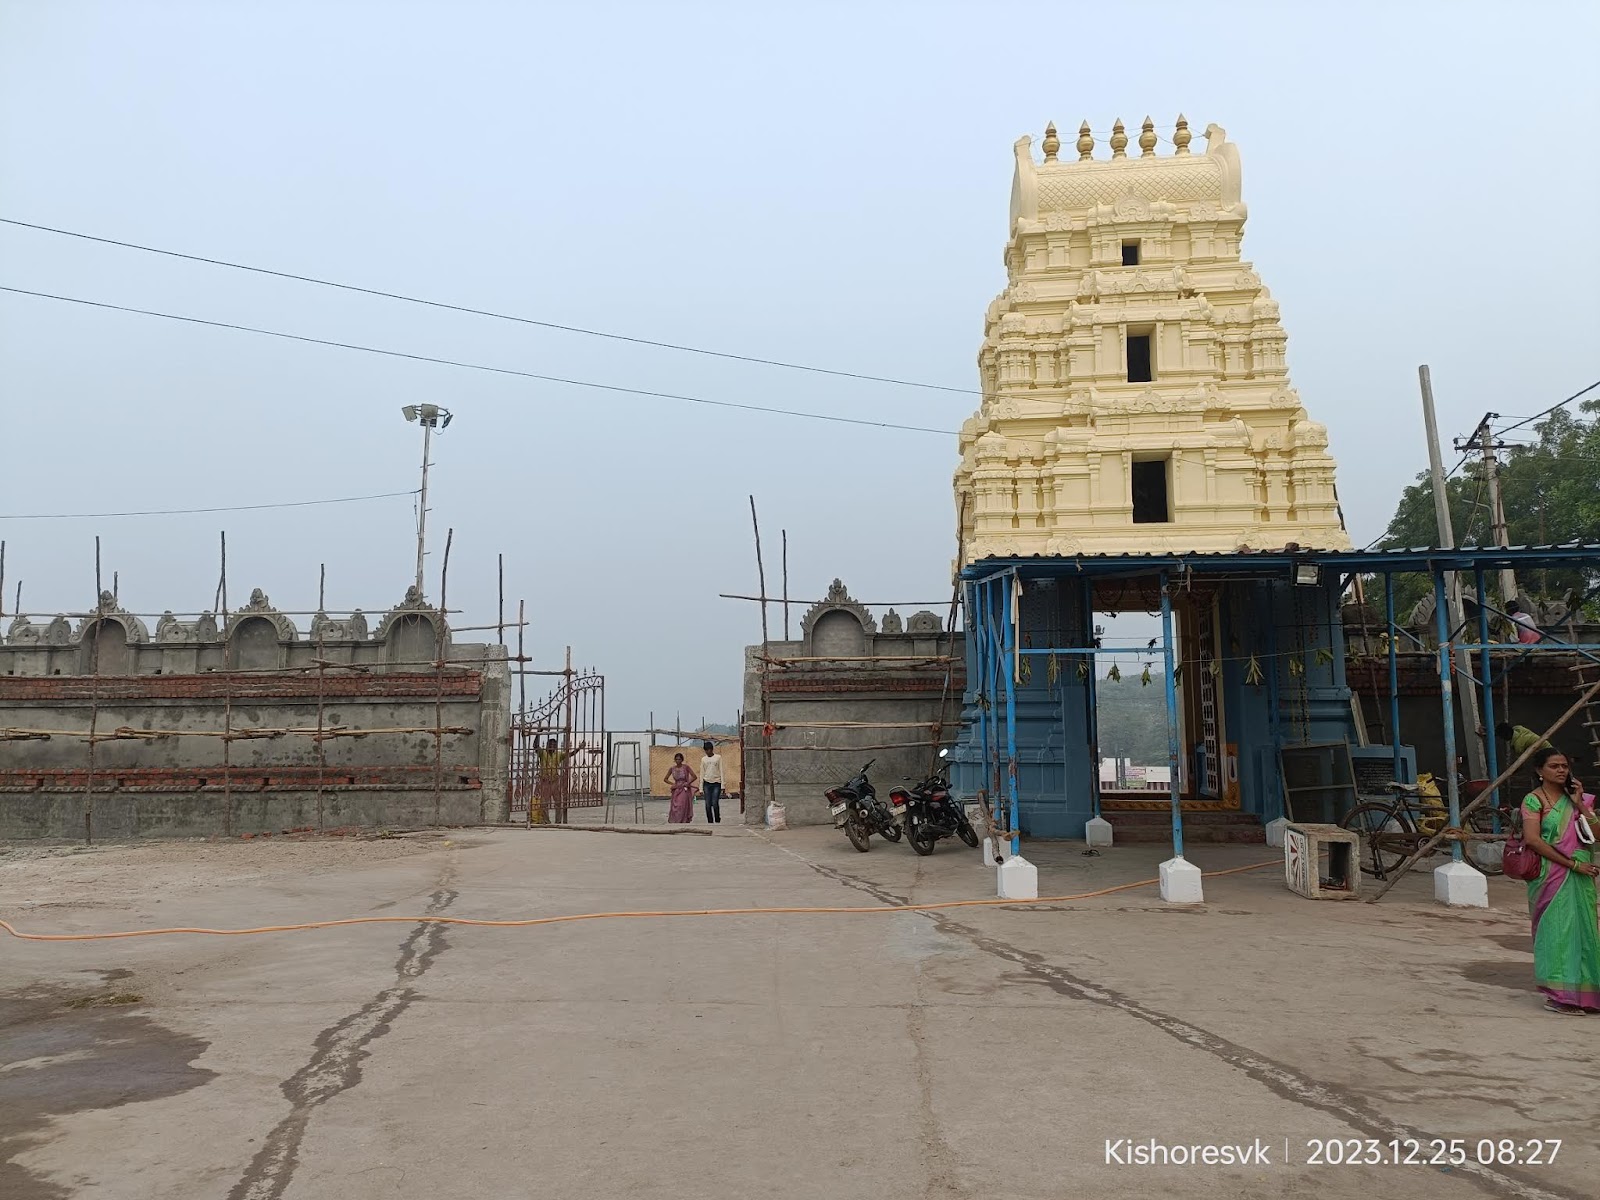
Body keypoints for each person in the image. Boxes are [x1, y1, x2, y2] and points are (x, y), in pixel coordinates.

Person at [1518, 746, 1600, 1014]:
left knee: (1585, 931)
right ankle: (1559, 996)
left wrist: (1577, 802)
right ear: (1539, 771)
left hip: (1583, 873)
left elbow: (1597, 834)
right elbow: (1532, 840)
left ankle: (1587, 996)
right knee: (1556, 932)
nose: (1561, 770)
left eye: (1564, 765)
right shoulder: (1533, 800)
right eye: (1554, 766)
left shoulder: (1581, 799)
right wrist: (1572, 864)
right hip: (1551, 873)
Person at [664, 753, 697, 824]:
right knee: (675, 806)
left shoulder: (686, 767)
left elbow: (694, 776)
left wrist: (688, 783)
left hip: (684, 789)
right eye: (676, 759)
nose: (677, 761)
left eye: (679, 759)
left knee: (682, 805)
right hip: (676, 789)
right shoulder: (672, 768)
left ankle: (683, 820)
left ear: (682, 760)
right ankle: (676, 821)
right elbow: (665, 779)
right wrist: (673, 784)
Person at [699, 740, 725, 824]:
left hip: (716, 783)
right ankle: (710, 821)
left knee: (714, 803)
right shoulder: (703, 759)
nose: (708, 752)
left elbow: (721, 771)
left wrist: (723, 786)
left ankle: (717, 819)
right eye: (706, 750)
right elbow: (702, 773)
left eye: (709, 750)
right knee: (707, 804)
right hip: (707, 783)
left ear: (712, 749)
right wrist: (700, 788)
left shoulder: (718, 758)